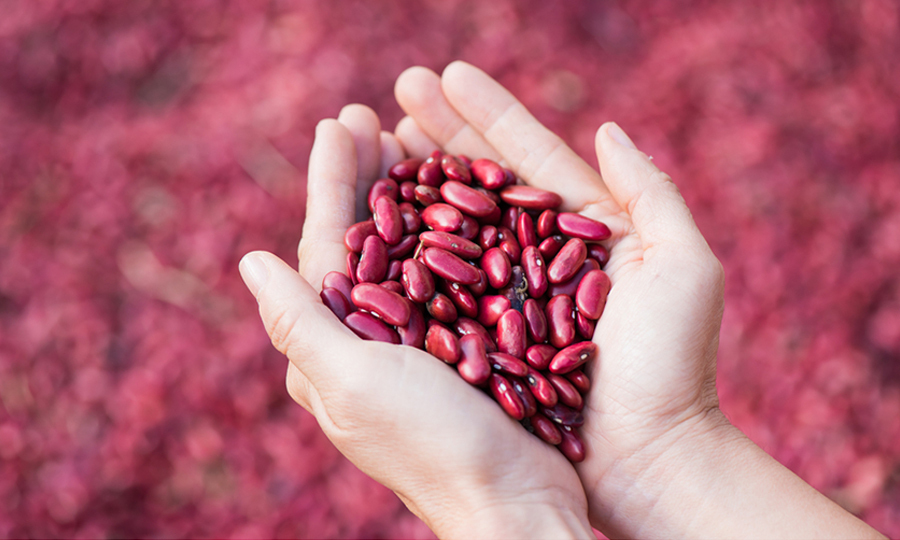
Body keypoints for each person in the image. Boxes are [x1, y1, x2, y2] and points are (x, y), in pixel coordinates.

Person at [237, 61, 886, 539]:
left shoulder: (526, 299)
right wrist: (662, 460)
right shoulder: (458, 279)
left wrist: (508, 509)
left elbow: (497, 297)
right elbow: (443, 296)